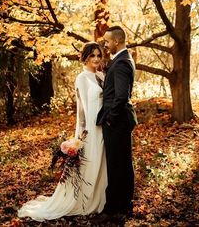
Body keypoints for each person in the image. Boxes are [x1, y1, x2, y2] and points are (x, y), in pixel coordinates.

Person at [18, 42, 107, 221]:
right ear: (85, 57)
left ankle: (101, 200)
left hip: (104, 126)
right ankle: (83, 201)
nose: (96, 59)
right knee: (89, 164)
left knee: (101, 164)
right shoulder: (82, 78)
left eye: (98, 55)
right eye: (92, 56)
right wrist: (80, 136)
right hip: (91, 127)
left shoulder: (102, 75)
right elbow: (81, 109)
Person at [95, 26, 137, 223]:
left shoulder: (121, 63)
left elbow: (121, 97)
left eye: (107, 41)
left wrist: (110, 118)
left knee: (116, 165)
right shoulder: (122, 60)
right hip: (120, 120)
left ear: (117, 41)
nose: (105, 44)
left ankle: (114, 209)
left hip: (117, 121)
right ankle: (124, 206)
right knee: (122, 164)